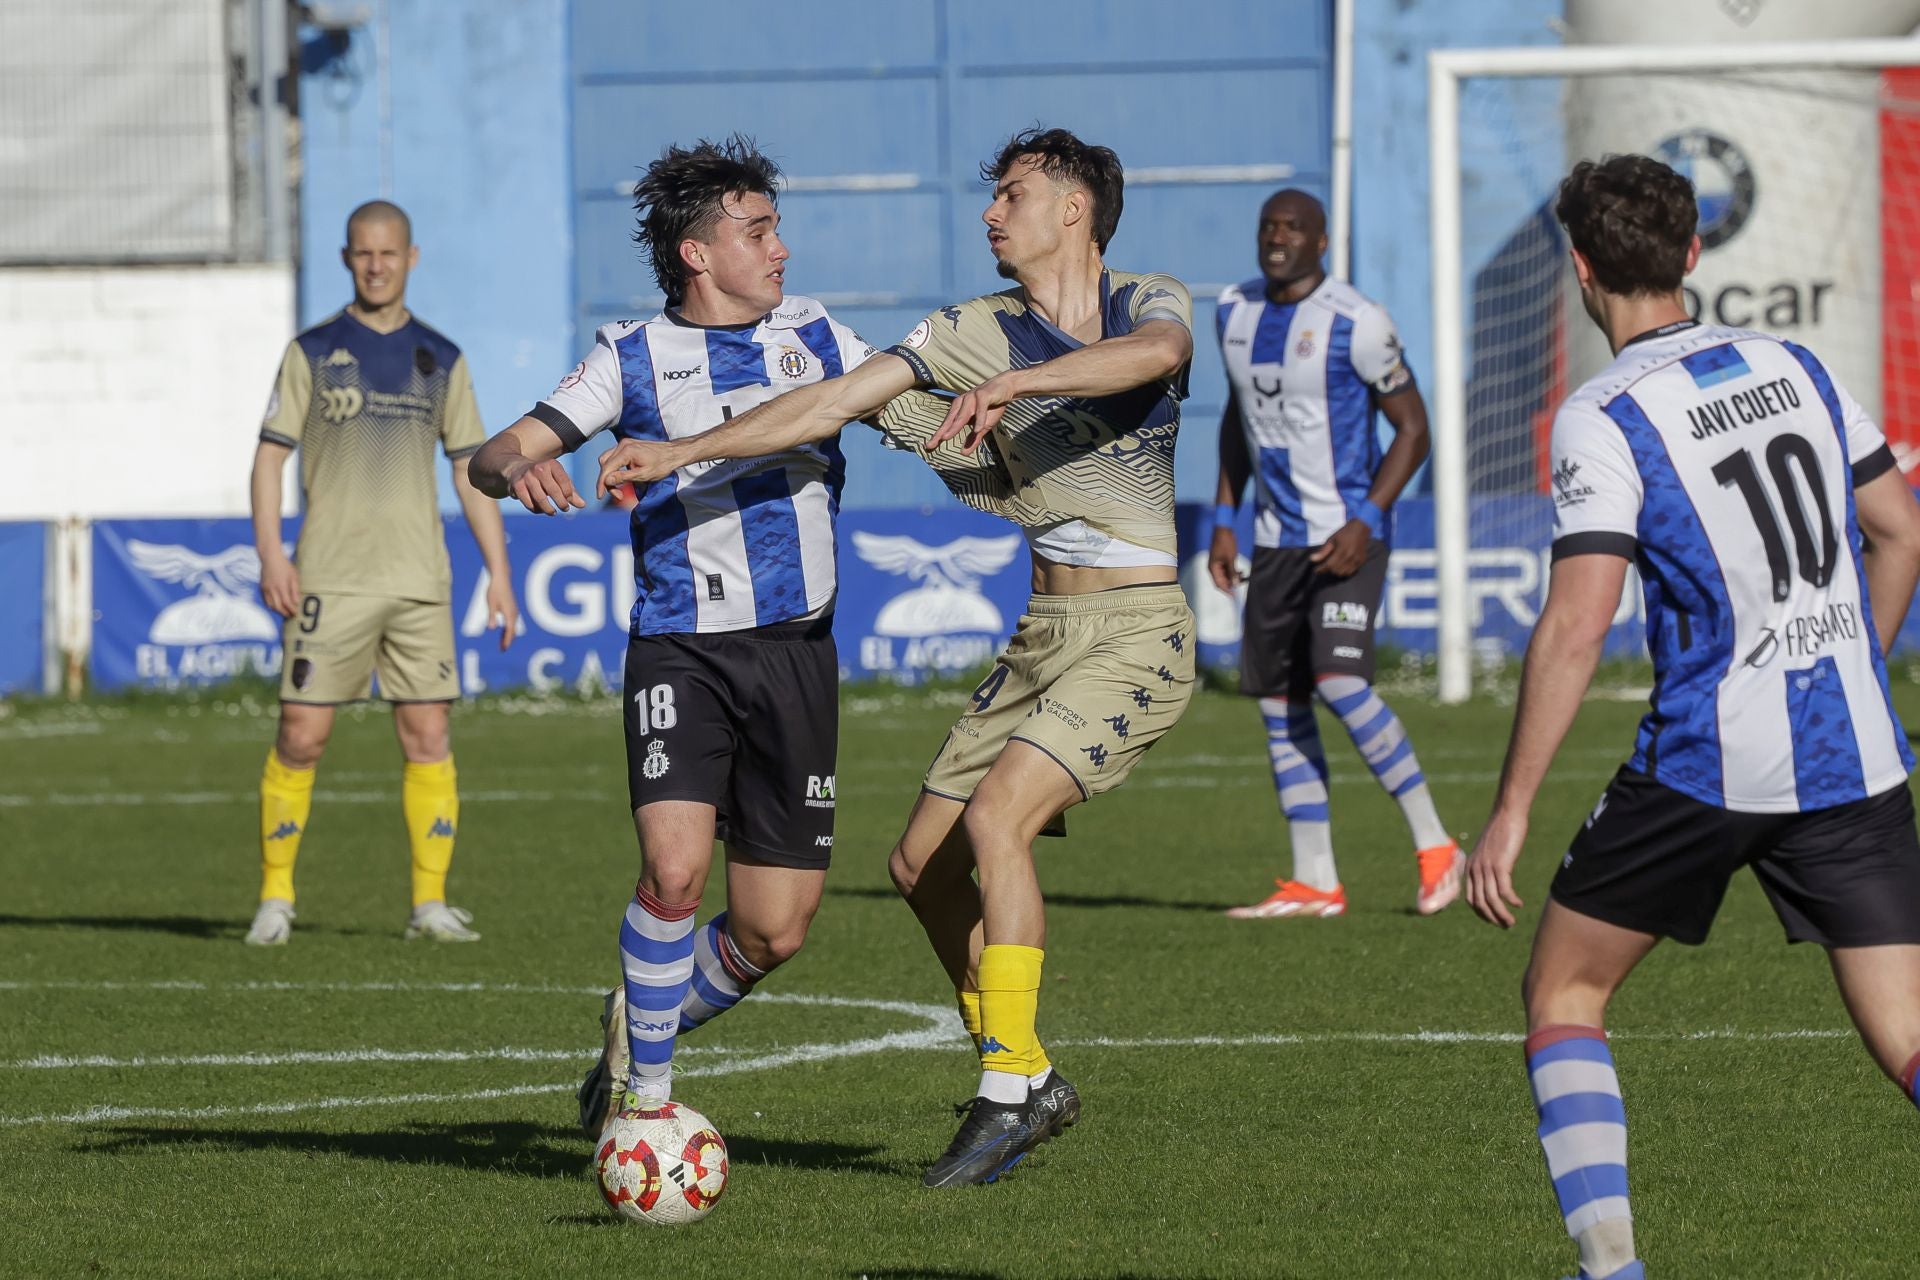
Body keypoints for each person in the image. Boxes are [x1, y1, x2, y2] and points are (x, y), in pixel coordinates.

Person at [593, 127, 1197, 1188]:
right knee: (920, 867)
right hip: (1043, 637)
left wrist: (1016, 388)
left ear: (1075, 209)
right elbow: (830, 399)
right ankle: (1032, 1075)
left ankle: (1005, 1087)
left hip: (1140, 629)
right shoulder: (970, 328)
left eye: (1013, 194)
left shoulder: (1148, 299)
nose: (990, 213)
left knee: (998, 820)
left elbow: (1156, 357)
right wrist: (684, 450)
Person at [1465, 153, 1920, 1280]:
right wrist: (1852, 664)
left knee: (1565, 989)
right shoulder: (1798, 365)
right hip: (1853, 754)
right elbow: (1901, 530)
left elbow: (1578, 623)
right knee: (1909, 1035)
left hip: (1711, 763)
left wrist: (1511, 810)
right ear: (1694, 253)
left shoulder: (1606, 412)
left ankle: (1610, 1267)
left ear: (1580, 268)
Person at [468, 136, 963, 1141]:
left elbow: (918, 417)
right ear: (697, 253)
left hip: (796, 655)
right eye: (759, 230)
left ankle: (639, 1018)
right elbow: (494, 451)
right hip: (681, 650)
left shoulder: (818, 335)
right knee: (674, 874)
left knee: (774, 929)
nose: (781, 247)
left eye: (776, 228)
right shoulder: (630, 354)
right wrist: (515, 466)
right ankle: (645, 1108)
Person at [244, 201, 518, 946]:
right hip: (330, 577)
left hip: (419, 581)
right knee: (301, 735)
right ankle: (275, 898)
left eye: (388, 253)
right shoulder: (312, 351)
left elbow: (470, 470)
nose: (375, 266)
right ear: (346, 259)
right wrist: (272, 553)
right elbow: (269, 458)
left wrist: (498, 571)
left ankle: (429, 904)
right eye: (363, 253)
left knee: (428, 733)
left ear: (410, 258)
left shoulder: (442, 358)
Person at [1208, 189, 1462, 920]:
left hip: (1346, 538)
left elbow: (1414, 430)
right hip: (1272, 541)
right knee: (1280, 703)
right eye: (1268, 226)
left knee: (1340, 682)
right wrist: (1224, 519)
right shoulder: (1232, 310)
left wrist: (1366, 519)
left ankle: (1437, 847)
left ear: (1321, 241)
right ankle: (1316, 880)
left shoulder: (1358, 321)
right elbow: (1238, 419)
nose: (1277, 237)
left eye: (1294, 228)